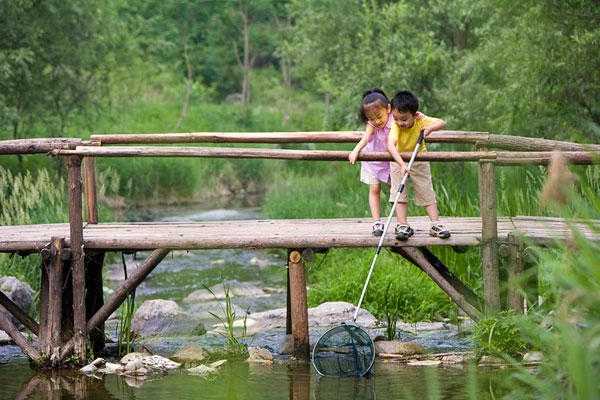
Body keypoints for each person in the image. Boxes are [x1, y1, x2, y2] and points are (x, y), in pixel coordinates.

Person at [386, 90, 451, 240]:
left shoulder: (420, 120)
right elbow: (390, 146)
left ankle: (436, 224)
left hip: (419, 159)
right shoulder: (396, 126)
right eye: (396, 118)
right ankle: (402, 225)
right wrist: (402, 164)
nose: (399, 122)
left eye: (404, 119)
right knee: (399, 191)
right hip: (398, 160)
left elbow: (442, 123)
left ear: (414, 115)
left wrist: (429, 128)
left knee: (425, 189)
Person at [349, 88, 394, 236]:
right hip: (373, 159)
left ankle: (400, 220)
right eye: (372, 118)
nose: (377, 121)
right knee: (374, 189)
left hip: (390, 159)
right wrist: (356, 150)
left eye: (379, 117)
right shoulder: (372, 124)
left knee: (396, 188)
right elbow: (366, 138)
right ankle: (377, 222)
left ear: (388, 109)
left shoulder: (395, 119)